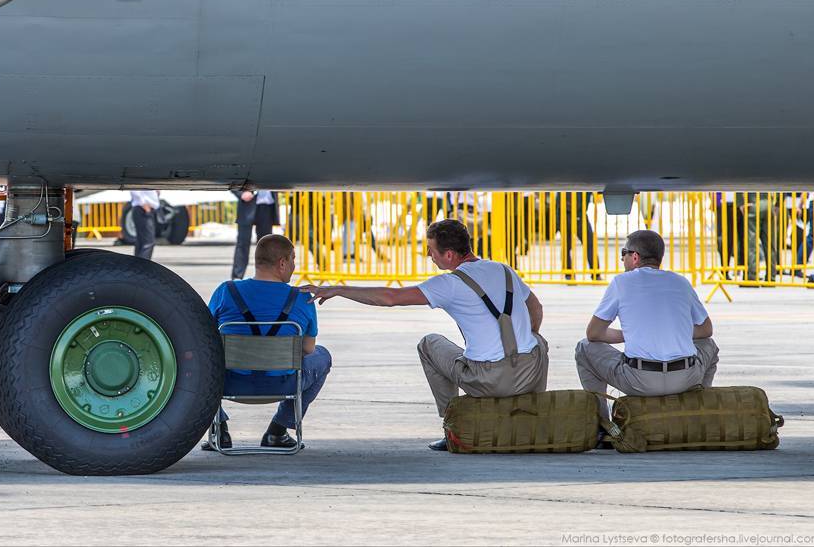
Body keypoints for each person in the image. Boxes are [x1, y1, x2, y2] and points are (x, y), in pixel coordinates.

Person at [303, 219, 548, 451]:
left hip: (491, 380)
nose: (429, 256)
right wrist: (518, 347)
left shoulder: (449, 284)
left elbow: (390, 298)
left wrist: (337, 289)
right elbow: (535, 308)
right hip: (531, 374)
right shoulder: (503, 270)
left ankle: (452, 428)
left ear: (449, 255)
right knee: (536, 340)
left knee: (429, 344)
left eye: (431, 250)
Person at [574, 230, 719, 433]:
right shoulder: (681, 282)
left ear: (635, 257)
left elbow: (594, 334)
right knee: (709, 346)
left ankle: (603, 427)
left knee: (584, 348)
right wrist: (669, 331)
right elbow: (706, 330)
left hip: (640, 380)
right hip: (685, 377)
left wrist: (634, 332)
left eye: (623, 253)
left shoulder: (621, 283)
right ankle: (698, 409)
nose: (621, 259)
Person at [202, 234, 331, 450]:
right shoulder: (302, 297)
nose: (293, 265)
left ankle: (219, 429)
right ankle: (278, 431)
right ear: (282, 263)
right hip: (283, 383)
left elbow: (202, 337)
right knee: (323, 355)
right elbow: (308, 349)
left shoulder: (226, 291)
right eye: (293, 259)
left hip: (229, 383)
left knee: (197, 362)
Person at [231, 189, 278, 279]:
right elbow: (232, 178)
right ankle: (237, 276)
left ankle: (266, 276)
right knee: (243, 243)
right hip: (247, 204)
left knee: (266, 245)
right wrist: (241, 193)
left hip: (267, 205)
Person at [554, 192, 601, 281]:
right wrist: (558, 222)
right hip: (567, 215)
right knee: (567, 247)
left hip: (579, 215)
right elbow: (558, 203)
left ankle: (595, 273)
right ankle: (569, 274)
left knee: (589, 244)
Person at [738, 192, 779, 283]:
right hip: (769, 204)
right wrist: (778, 204)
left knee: (752, 243)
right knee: (770, 244)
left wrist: (741, 203)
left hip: (754, 204)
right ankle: (771, 276)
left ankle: (752, 276)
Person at [129, 190, 160, 260]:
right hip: (143, 209)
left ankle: (138, 265)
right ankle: (143, 265)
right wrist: (143, 204)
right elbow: (134, 190)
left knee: (141, 241)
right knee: (148, 241)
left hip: (145, 208)